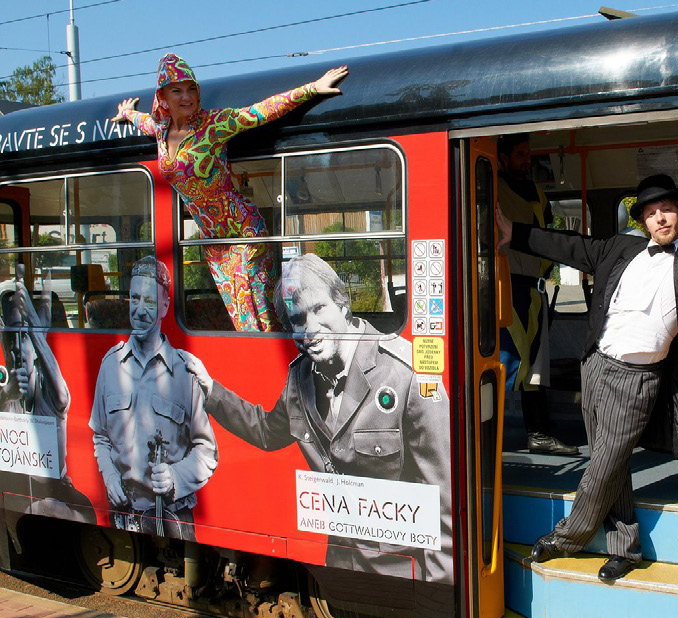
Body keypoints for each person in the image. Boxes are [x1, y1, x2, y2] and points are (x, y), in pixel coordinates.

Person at [495, 151, 678, 581]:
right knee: (616, 462)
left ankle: (568, 535)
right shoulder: (620, 248)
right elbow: (570, 246)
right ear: (642, 219)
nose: (660, 218)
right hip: (597, 366)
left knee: (603, 461)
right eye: (651, 212)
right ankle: (626, 547)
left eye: (668, 209)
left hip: (640, 376)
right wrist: (515, 233)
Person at [181, 254, 452, 583]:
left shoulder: (405, 376)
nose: (309, 329)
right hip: (339, 566)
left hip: (399, 575)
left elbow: (442, 506)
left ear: (343, 305)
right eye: (297, 319)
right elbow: (267, 432)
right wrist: (212, 392)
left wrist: (437, 600)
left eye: (318, 309)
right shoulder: (301, 378)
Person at [111, 53, 349, 332]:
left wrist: (312, 88)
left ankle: (278, 369)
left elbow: (261, 111)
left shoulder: (214, 124)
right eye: (177, 90)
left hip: (244, 230)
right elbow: (143, 120)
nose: (186, 97)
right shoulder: (161, 130)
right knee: (241, 318)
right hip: (214, 243)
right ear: (162, 95)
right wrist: (126, 113)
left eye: (191, 89)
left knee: (255, 314)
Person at [90, 257, 217, 539]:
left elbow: (206, 449)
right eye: (134, 298)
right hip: (124, 514)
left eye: (149, 301)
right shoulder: (110, 365)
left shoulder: (186, 371)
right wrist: (110, 476)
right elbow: (99, 436)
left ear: (164, 306)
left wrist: (176, 477)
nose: (139, 310)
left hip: (173, 517)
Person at [497, 134, 577, 455]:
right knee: (505, 362)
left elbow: (546, 233)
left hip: (534, 287)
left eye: (527, 153)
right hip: (504, 285)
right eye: (519, 154)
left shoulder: (539, 194)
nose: (525, 159)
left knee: (534, 367)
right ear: (502, 157)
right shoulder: (489, 188)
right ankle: (488, 434)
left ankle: (538, 433)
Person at [0, 280, 94, 523]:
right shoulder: (8, 388)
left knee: (50, 509)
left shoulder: (51, 392)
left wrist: (33, 324)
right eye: (11, 338)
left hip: (57, 491)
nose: (17, 348)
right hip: (18, 488)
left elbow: (59, 387)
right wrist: (7, 394)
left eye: (24, 335)